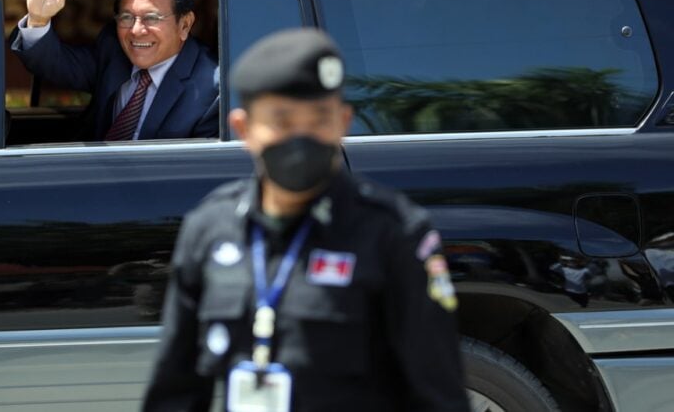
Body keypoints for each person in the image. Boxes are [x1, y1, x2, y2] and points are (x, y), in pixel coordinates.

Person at [143, 28, 470, 411]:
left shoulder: (394, 232)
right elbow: (174, 392)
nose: (302, 138)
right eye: (282, 121)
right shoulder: (210, 228)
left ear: (343, 122)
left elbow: (439, 396)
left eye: (319, 121)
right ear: (244, 129)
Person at [10, 0, 218, 141]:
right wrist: (38, 19)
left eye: (152, 18)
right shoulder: (114, 48)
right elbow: (54, 65)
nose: (136, 30)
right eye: (126, 17)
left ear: (185, 24)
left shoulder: (213, 90)